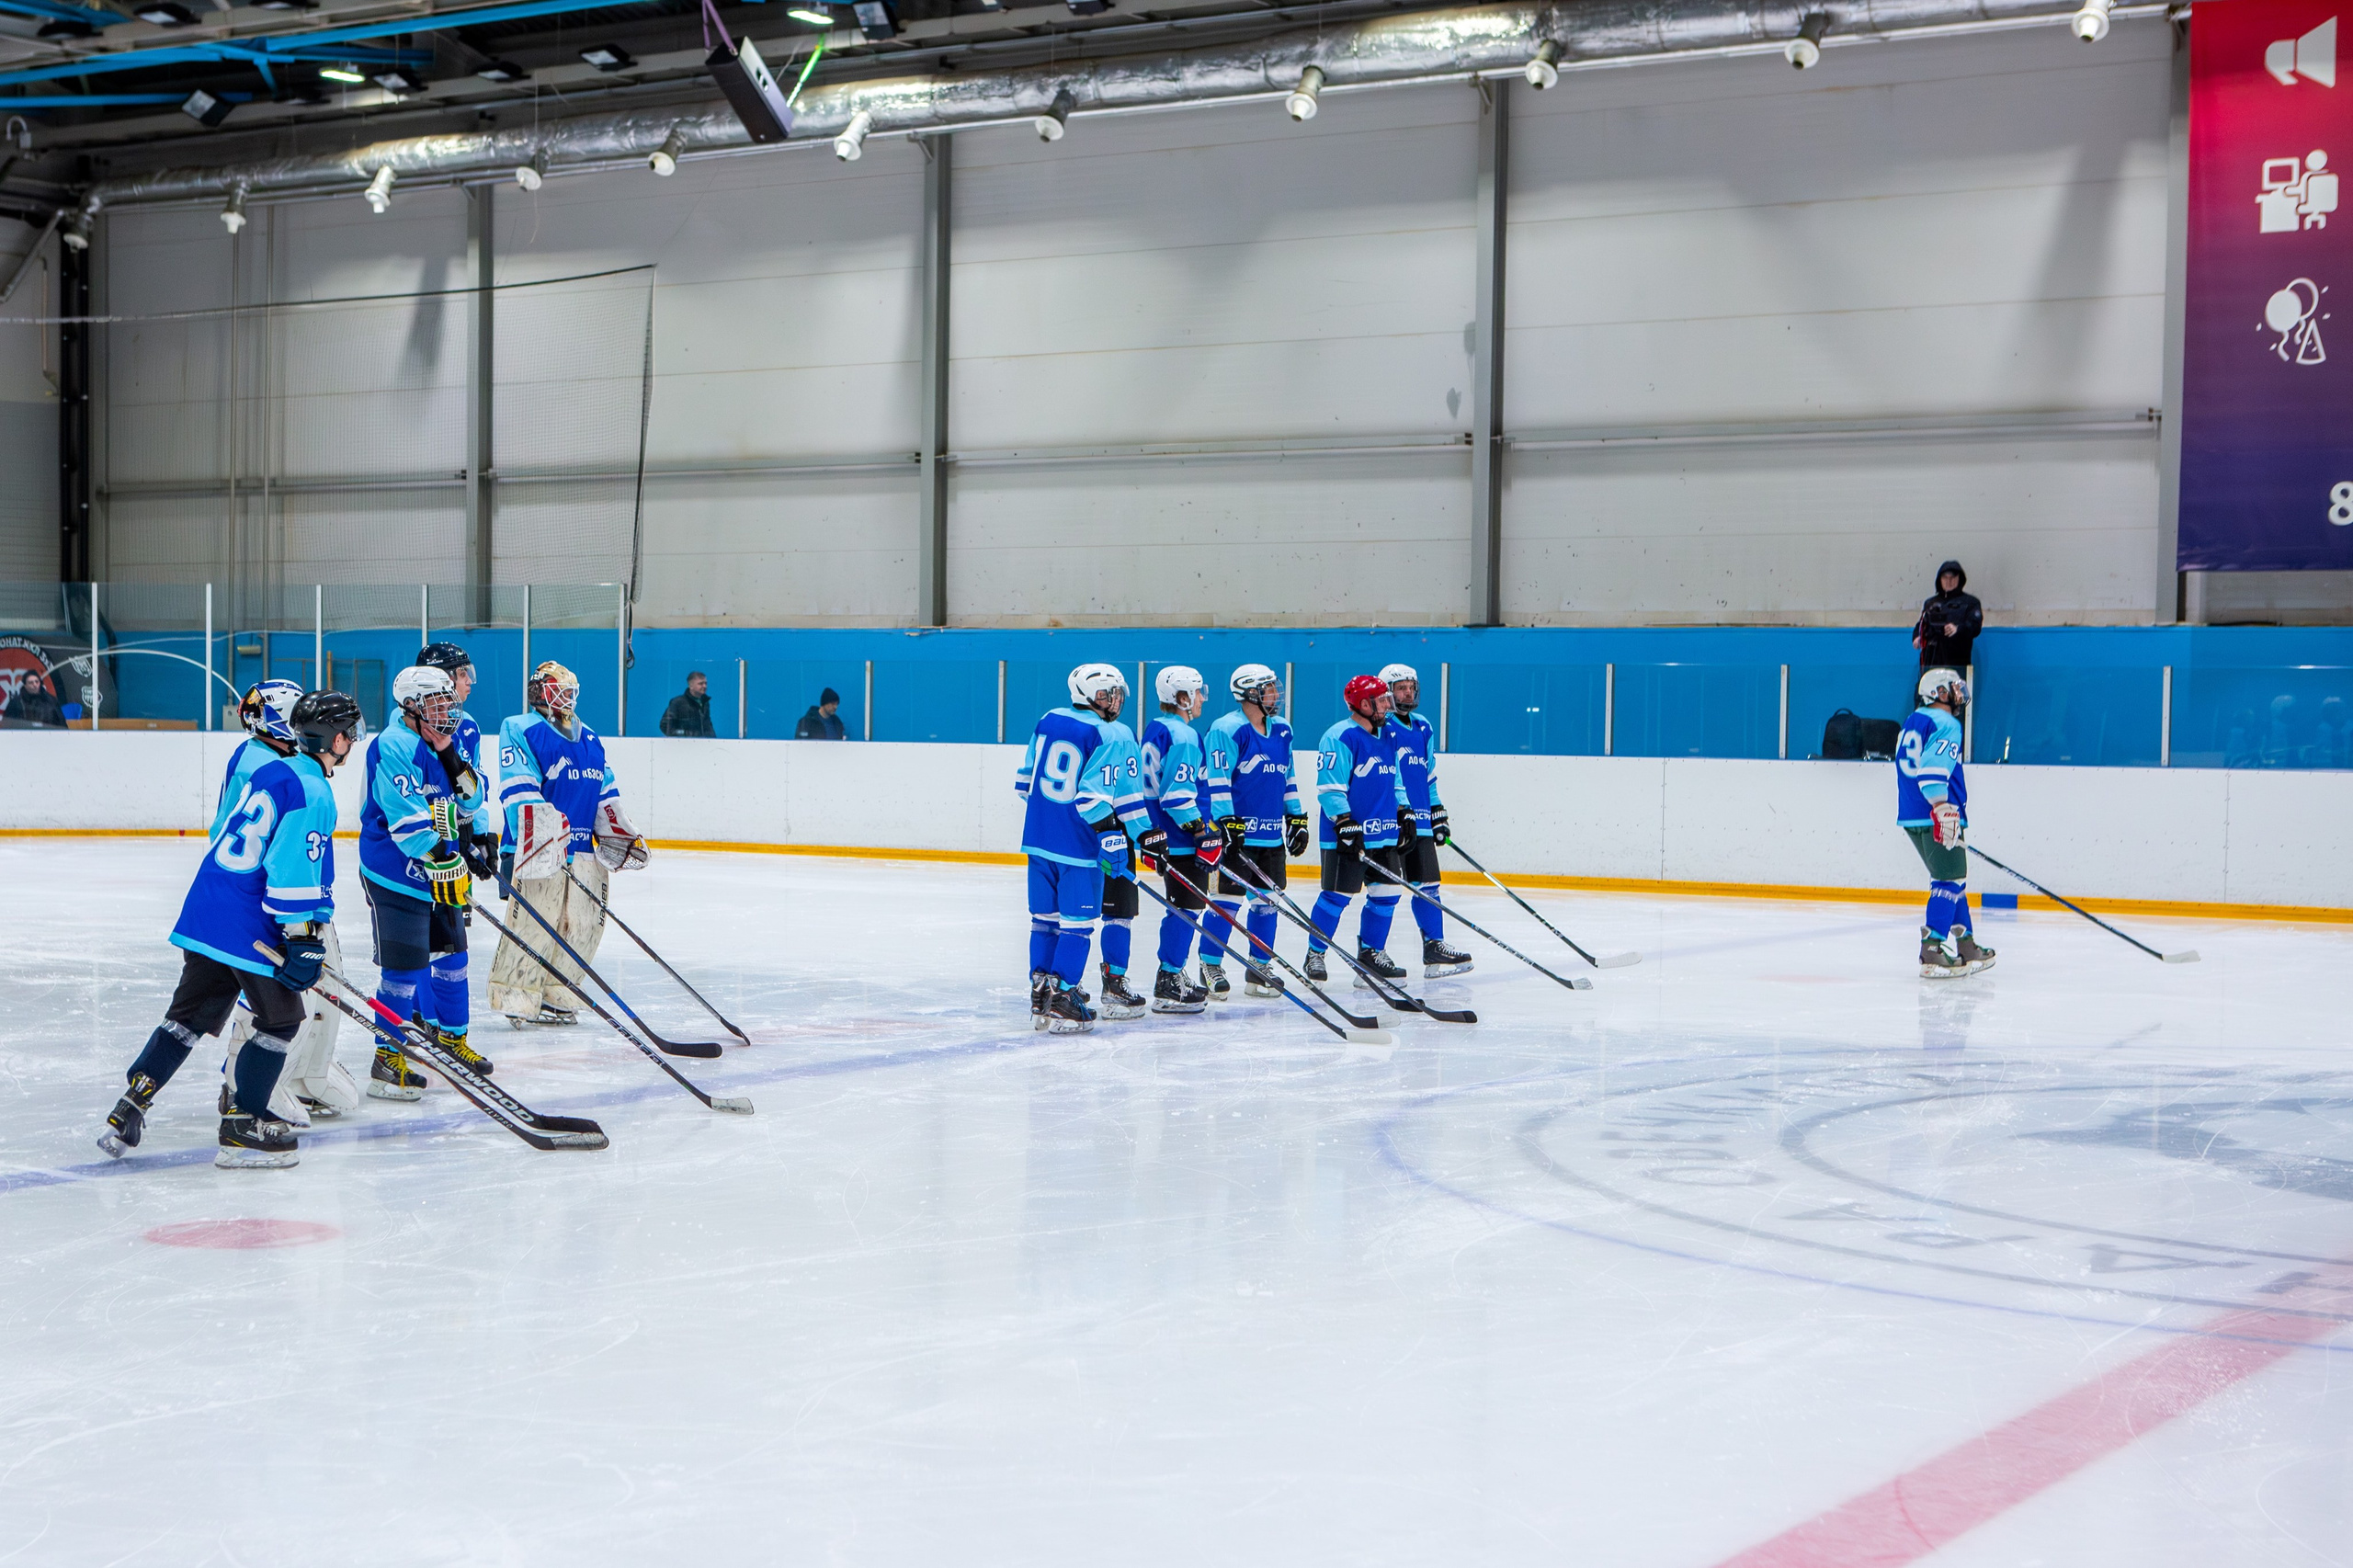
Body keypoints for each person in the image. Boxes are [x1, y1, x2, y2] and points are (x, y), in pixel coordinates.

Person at [96, 689, 360, 1170]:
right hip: (247, 921)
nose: (353, 742)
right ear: (336, 739)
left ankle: (131, 1104)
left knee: (189, 1016)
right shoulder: (314, 791)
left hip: (207, 909)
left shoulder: (271, 771)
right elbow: (290, 872)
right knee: (281, 1020)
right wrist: (301, 938)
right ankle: (242, 1125)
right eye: (350, 734)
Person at [212, 678, 361, 1124]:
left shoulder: (288, 761)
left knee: (326, 984)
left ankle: (306, 1073)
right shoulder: (266, 760)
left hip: (300, 895)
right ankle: (244, 1082)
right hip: (269, 900)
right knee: (280, 994)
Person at [358, 665, 494, 1100]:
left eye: (448, 703)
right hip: (395, 873)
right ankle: (387, 1057)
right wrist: (451, 862)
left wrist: (451, 753)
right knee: (403, 972)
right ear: (412, 706)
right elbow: (409, 826)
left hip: (439, 870)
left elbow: (472, 797)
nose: (447, 712)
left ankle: (451, 1041)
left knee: (453, 962)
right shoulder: (393, 745)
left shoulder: (440, 740)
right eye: (437, 705)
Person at [490, 660, 650, 1028]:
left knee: (581, 926)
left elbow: (605, 792)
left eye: (569, 690)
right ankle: (518, 995)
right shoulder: (520, 728)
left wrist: (618, 833)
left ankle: (559, 994)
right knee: (533, 926)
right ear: (539, 693)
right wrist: (545, 834)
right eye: (556, 689)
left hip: (580, 852)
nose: (565, 696)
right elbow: (518, 788)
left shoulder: (590, 738)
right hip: (535, 847)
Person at [1013, 663, 1154, 1033]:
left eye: (1117, 693)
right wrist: (1135, 835)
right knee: (1077, 927)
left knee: (1043, 922)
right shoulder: (1114, 734)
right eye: (1107, 693)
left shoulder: (1048, 719)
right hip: (1078, 847)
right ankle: (1064, 999)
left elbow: (1024, 784)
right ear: (1086, 695)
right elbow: (1101, 799)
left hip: (1038, 840)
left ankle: (1041, 992)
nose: (1116, 700)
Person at [1203, 663, 1305, 1001]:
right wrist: (1225, 822)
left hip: (1271, 836)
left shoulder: (1283, 730)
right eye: (1269, 688)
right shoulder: (1227, 729)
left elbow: (1286, 776)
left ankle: (1259, 967)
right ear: (1250, 693)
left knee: (1267, 904)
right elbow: (1216, 780)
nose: (1276, 694)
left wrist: (1296, 817)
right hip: (1237, 835)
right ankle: (1210, 964)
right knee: (1226, 902)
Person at [1897, 667, 1994, 979]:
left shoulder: (1912, 721)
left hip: (1912, 813)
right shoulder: (1946, 723)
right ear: (1937, 692)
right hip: (1936, 809)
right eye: (1952, 688)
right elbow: (1931, 771)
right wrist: (1943, 807)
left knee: (1952, 879)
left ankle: (1965, 944)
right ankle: (1933, 948)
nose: (1958, 694)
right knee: (1950, 878)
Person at [1381, 663, 1472, 977]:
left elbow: (1428, 775)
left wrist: (1436, 810)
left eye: (1410, 687)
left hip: (1419, 822)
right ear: (1388, 692)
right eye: (1401, 687)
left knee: (1429, 885)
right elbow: (1387, 776)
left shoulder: (1423, 727)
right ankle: (1372, 953)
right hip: (1392, 823)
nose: (1407, 692)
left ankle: (1434, 949)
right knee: (1384, 891)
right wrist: (1401, 807)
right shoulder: (1383, 728)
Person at [1137, 665, 1212, 1014]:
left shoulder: (1157, 726)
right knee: (1188, 909)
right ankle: (1170, 980)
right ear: (1182, 698)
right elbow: (1177, 795)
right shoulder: (1184, 735)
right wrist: (1201, 829)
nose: (1201, 699)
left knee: (1181, 908)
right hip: (1180, 838)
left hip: (1159, 833)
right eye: (1197, 693)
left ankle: (1171, 974)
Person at [1913, 561, 1983, 670]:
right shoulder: (1930, 603)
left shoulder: (1970, 603)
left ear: (1959, 578)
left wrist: (1958, 629)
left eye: (1952, 578)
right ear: (1939, 579)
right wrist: (1917, 637)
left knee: (1956, 686)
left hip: (1957, 661)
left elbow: (1975, 626)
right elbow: (1922, 624)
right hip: (1930, 661)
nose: (1948, 581)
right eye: (1945, 578)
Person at [661, 671, 717, 738]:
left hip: (703, 745)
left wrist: (712, 738)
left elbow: (708, 726)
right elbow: (665, 726)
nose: (704, 686)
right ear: (691, 686)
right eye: (700, 684)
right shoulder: (678, 702)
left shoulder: (705, 702)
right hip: (682, 745)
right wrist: (686, 735)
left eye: (705, 683)